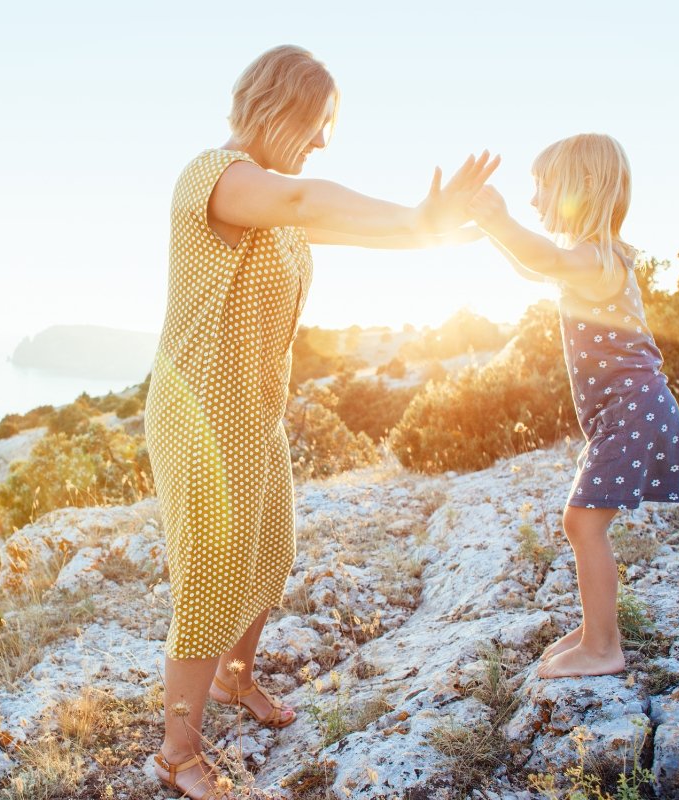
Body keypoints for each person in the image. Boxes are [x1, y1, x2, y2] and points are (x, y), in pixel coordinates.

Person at [145, 44, 498, 798]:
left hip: (252, 410)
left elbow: (347, 224)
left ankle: (235, 680)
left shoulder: (279, 207)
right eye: (317, 122)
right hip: (199, 411)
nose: (324, 140)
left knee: (270, 551)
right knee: (210, 574)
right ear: (278, 108)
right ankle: (177, 753)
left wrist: (425, 227)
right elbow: (310, 202)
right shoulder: (214, 177)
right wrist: (418, 214)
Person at [466, 133, 679, 680]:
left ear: (580, 188)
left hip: (633, 409)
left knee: (583, 523)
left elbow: (540, 256)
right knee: (583, 522)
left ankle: (603, 646)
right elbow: (532, 265)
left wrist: (499, 220)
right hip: (626, 411)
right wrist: (490, 230)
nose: (536, 201)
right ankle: (596, 629)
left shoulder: (596, 259)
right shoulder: (589, 258)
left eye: (542, 189)